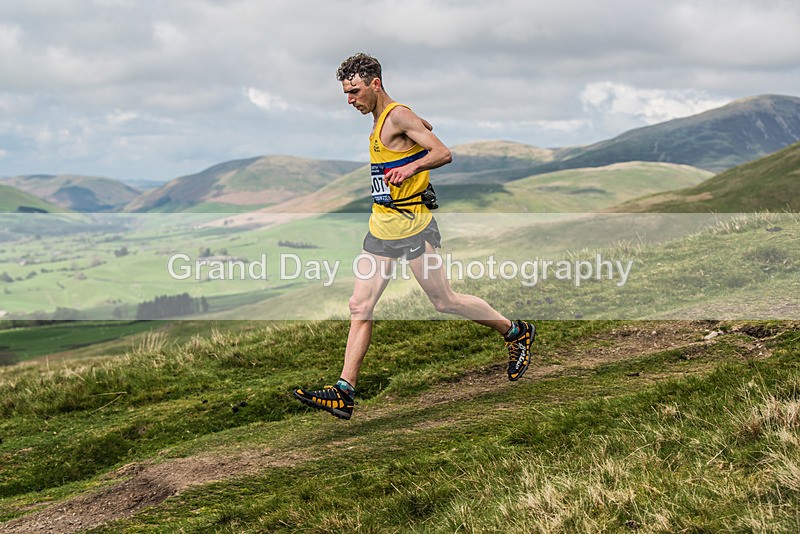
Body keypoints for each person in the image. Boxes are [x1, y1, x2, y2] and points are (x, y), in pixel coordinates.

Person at [293, 53, 535, 419]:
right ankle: (344, 392)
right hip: (381, 228)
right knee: (360, 306)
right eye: (345, 93)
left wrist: (413, 166)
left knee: (445, 301)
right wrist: (414, 139)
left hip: (413, 227)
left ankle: (516, 331)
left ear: (375, 84)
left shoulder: (397, 115)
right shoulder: (384, 117)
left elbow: (443, 152)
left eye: (354, 91)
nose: (350, 100)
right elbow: (424, 128)